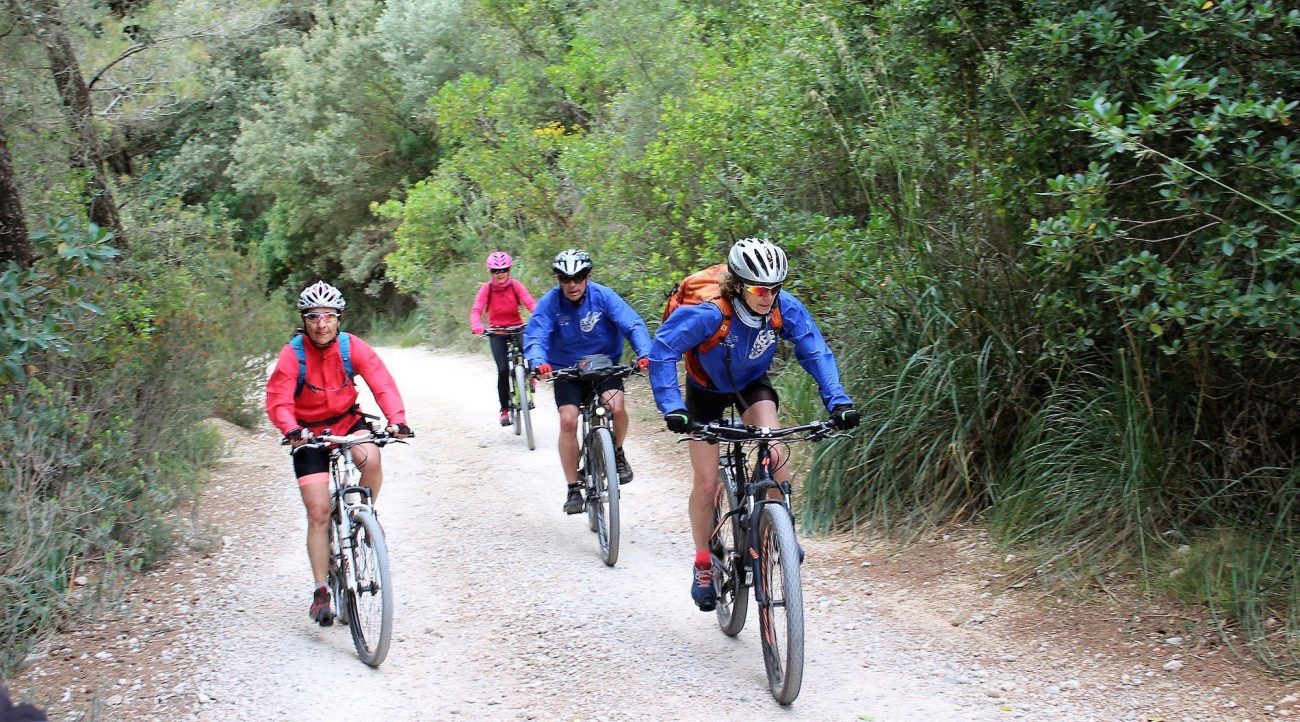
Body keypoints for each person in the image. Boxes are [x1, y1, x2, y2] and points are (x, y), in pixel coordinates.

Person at [648, 238, 860, 611]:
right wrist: (672, 406)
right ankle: (702, 563)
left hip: (751, 386)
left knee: (776, 453)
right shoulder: (710, 314)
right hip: (705, 391)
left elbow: (816, 351)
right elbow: (663, 350)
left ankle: (779, 533)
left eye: (776, 288)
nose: (769, 296)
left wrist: (838, 401)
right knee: (708, 482)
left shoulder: (784, 308)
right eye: (761, 288)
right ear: (738, 285)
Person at [265, 280, 412, 626]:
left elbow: (382, 383)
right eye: (314, 316)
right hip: (307, 434)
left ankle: (365, 518)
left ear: (339, 318)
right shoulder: (293, 354)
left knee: (371, 457)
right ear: (304, 319)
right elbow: (278, 400)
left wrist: (398, 420)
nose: (321, 323)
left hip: (347, 423)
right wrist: (291, 430)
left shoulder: (351, 347)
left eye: (328, 316)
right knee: (318, 512)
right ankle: (321, 591)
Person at [524, 249, 653, 513]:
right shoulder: (550, 303)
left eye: (578, 277)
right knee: (568, 420)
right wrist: (539, 363)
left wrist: (645, 354)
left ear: (588, 276)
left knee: (616, 407)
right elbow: (536, 335)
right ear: (558, 279)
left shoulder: (604, 297)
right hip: (566, 370)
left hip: (605, 365)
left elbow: (633, 325)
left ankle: (616, 452)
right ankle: (573, 488)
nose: (572, 284)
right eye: (565, 279)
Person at [470, 251, 538, 426]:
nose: (500, 274)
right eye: (495, 271)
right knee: (502, 370)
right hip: (497, 332)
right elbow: (477, 309)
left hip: (517, 327)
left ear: (509, 270)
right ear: (490, 272)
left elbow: (530, 302)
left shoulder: (515, 286)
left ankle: (531, 376)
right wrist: (477, 326)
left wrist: (539, 317)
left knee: (531, 350)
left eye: (503, 270)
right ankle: (504, 409)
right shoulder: (487, 289)